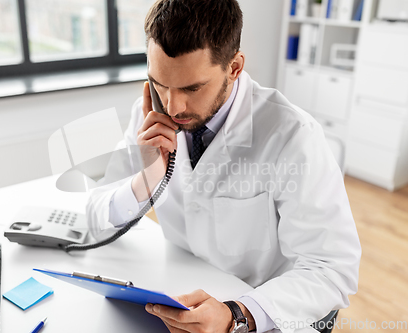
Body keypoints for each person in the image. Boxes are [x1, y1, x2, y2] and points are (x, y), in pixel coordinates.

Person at [86, 0, 361, 332]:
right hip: (184, 293)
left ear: (234, 67)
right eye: (160, 82)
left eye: (192, 87)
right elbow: (95, 218)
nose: (173, 106)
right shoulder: (148, 116)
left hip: (267, 311)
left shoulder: (292, 135)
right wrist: (146, 179)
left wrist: (237, 315)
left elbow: (332, 268)